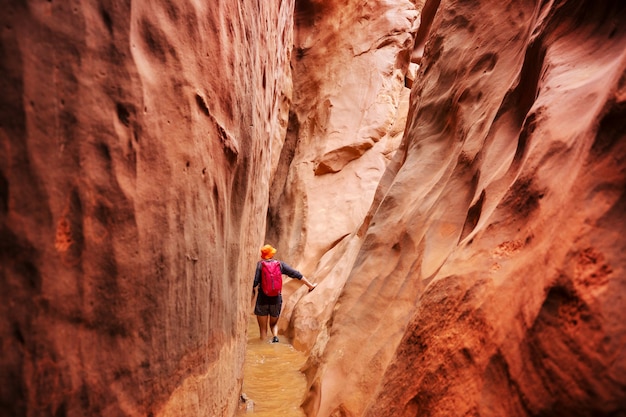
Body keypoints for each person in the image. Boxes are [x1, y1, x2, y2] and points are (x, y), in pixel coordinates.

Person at [251, 244, 317, 343]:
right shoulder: (280, 264)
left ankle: (263, 346)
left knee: (263, 330)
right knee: (273, 324)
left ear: (263, 256)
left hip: (262, 300)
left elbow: (255, 283)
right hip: (276, 299)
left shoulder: (260, 265)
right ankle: (275, 336)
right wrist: (310, 285)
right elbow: (296, 274)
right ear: (272, 254)